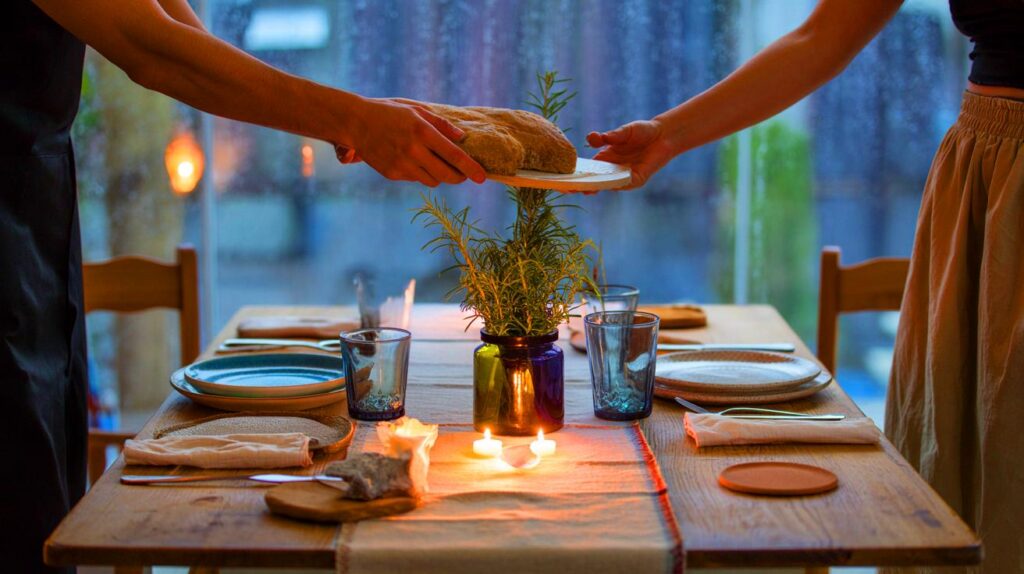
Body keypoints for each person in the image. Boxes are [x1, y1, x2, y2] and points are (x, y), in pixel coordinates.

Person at [0, 1, 486, 572]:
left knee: (44, 481)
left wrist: (358, 116)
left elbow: (181, 37)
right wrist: (354, 120)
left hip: (34, 210)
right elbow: (151, 48)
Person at [587, 1, 1023, 572]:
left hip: (992, 173)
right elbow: (820, 38)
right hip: (990, 172)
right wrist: (669, 134)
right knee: (975, 449)